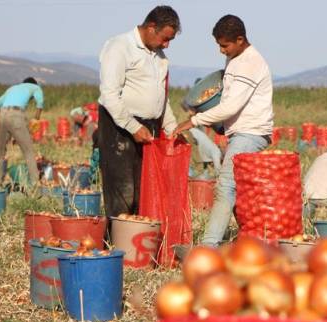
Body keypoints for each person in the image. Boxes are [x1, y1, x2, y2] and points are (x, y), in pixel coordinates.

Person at [174, 14, 274, 246]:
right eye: (218, 45)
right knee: (243, 192)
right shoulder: (236, 59)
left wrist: (195, 120)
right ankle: (255, 239)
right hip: (241, 132)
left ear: (240, 40)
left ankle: (208, 246)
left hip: (250, 134)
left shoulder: (250, 62)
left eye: (224, 45)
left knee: (226, 187)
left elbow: (231, 106)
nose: (221, 50)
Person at [98, 5, 180, 216]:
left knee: (144, 192)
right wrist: (133, 127)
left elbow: (162, 96)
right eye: (165, 38)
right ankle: (117, 244)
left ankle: (138, 243)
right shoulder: (119, 47)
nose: (167, 45)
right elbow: (109, 95)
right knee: (123, 192)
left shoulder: (159, 56)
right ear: (151, 27)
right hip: (120, 128)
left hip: (149, 128)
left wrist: (171, 128)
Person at [0, 77, 44, 185]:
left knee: (0, 153)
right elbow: (40, 102)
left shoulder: (12, 88)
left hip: (2, 115)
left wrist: (1, 119)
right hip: (16, 115)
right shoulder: (35, 87)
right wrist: (36, 119)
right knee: (28, 151)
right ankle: (35, 184)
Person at [180, 102, 222, 178]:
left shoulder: (212, 149)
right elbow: (218, 170)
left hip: (194, 137)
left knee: (203, 173)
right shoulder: (217, 152)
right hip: (193, 138)